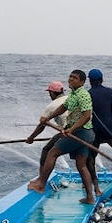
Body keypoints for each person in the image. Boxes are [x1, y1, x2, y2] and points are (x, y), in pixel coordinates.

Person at [27, 70, 96, 204]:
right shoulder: (73, 94)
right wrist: (48, 117)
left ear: (82, 82)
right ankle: (90, 197)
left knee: (52, 153)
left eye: (74, 78)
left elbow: (87, 115)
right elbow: (63, 107)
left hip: (81, 132)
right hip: (82, 132)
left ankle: (41, 185)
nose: (70, 79)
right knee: (81, 165)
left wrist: (71, 129)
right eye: (70, 77)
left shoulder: (83, 95)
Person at [25, 81, 68, 168]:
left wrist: (31, 138)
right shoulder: (70, 98)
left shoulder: (51, 106)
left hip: (66, 133)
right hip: (78, 129)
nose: (49, 95)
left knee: (46, 150)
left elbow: (41, 126)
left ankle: (42, 178)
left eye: (49, 93)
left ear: (52, 93)